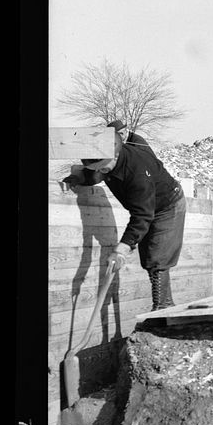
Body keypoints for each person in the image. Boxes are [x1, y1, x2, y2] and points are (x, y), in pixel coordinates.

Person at [65, 130, 186, 312]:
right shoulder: (106, 160)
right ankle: (165, 305)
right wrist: (77, 178)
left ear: (115, 155)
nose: (99, 172)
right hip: (146, 207)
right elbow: (94, 175)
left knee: (158, 259)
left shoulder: (136, 171)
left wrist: (123, 247)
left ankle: (162, 307)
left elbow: (142, 216)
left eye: (102, 167)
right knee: (149, 260)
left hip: (167, 206)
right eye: (95, 167)